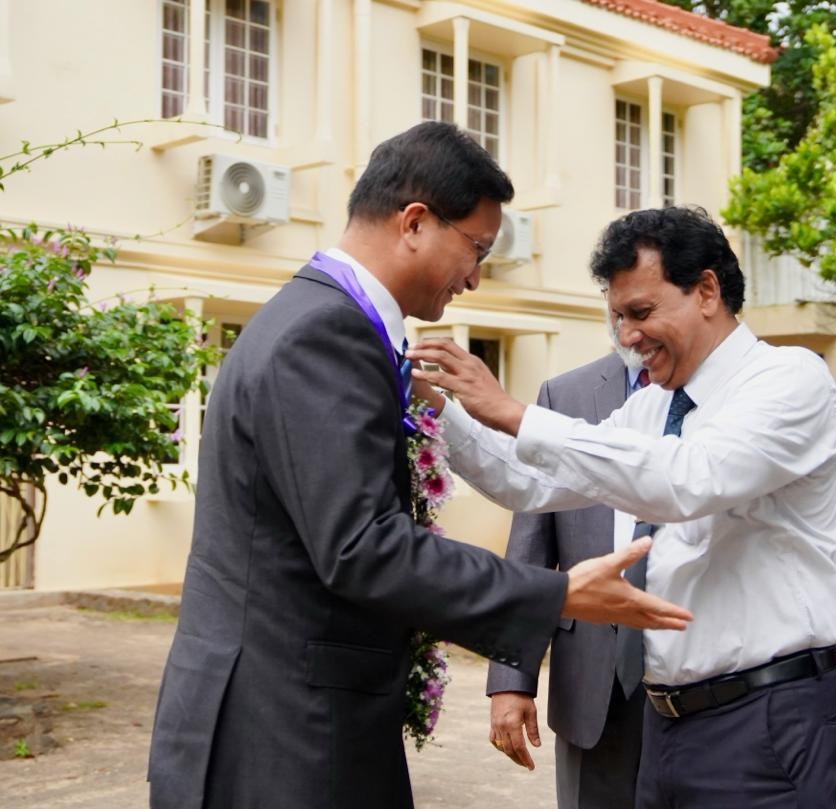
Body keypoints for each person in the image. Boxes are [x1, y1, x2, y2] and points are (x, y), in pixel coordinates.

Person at [146, 122, 690, 809]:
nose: (477, 275)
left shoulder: (322, 319)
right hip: (282, 730)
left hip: (286, 714)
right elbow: (360, 547)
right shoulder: (326, 332)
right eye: (477, 248)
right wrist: (554, 594)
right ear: (414, 223)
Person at [411, 205, 836, 808]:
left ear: (707, 291)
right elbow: (531, 481)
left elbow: (687, 480)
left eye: (642, 313)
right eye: (618, 317)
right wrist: (434, 407)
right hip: (669, 723)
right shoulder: (655, 406)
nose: (626, 337)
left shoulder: (788, 379)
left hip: (765, 718)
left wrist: (516, 413)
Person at [485, 341, 650, 808]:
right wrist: (511, 679)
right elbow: (530, 549)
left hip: (699, 679)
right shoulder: (564, 395)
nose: (629, 328)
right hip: (590, 676)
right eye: (617, 311)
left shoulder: (729, 393)